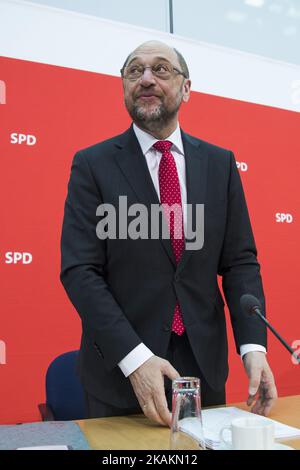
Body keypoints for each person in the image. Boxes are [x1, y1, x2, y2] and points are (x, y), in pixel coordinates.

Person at [60, 40, 277, 427]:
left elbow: (240, 261)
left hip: (204, 371)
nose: (146, 79)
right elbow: (80, 271)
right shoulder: (93, 165)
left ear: (187, 88)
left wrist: (253, 346)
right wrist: (135, 358)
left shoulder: (220, 164)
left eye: (161, 69)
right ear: (123, 85)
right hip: (120, 375)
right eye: (134, 70)